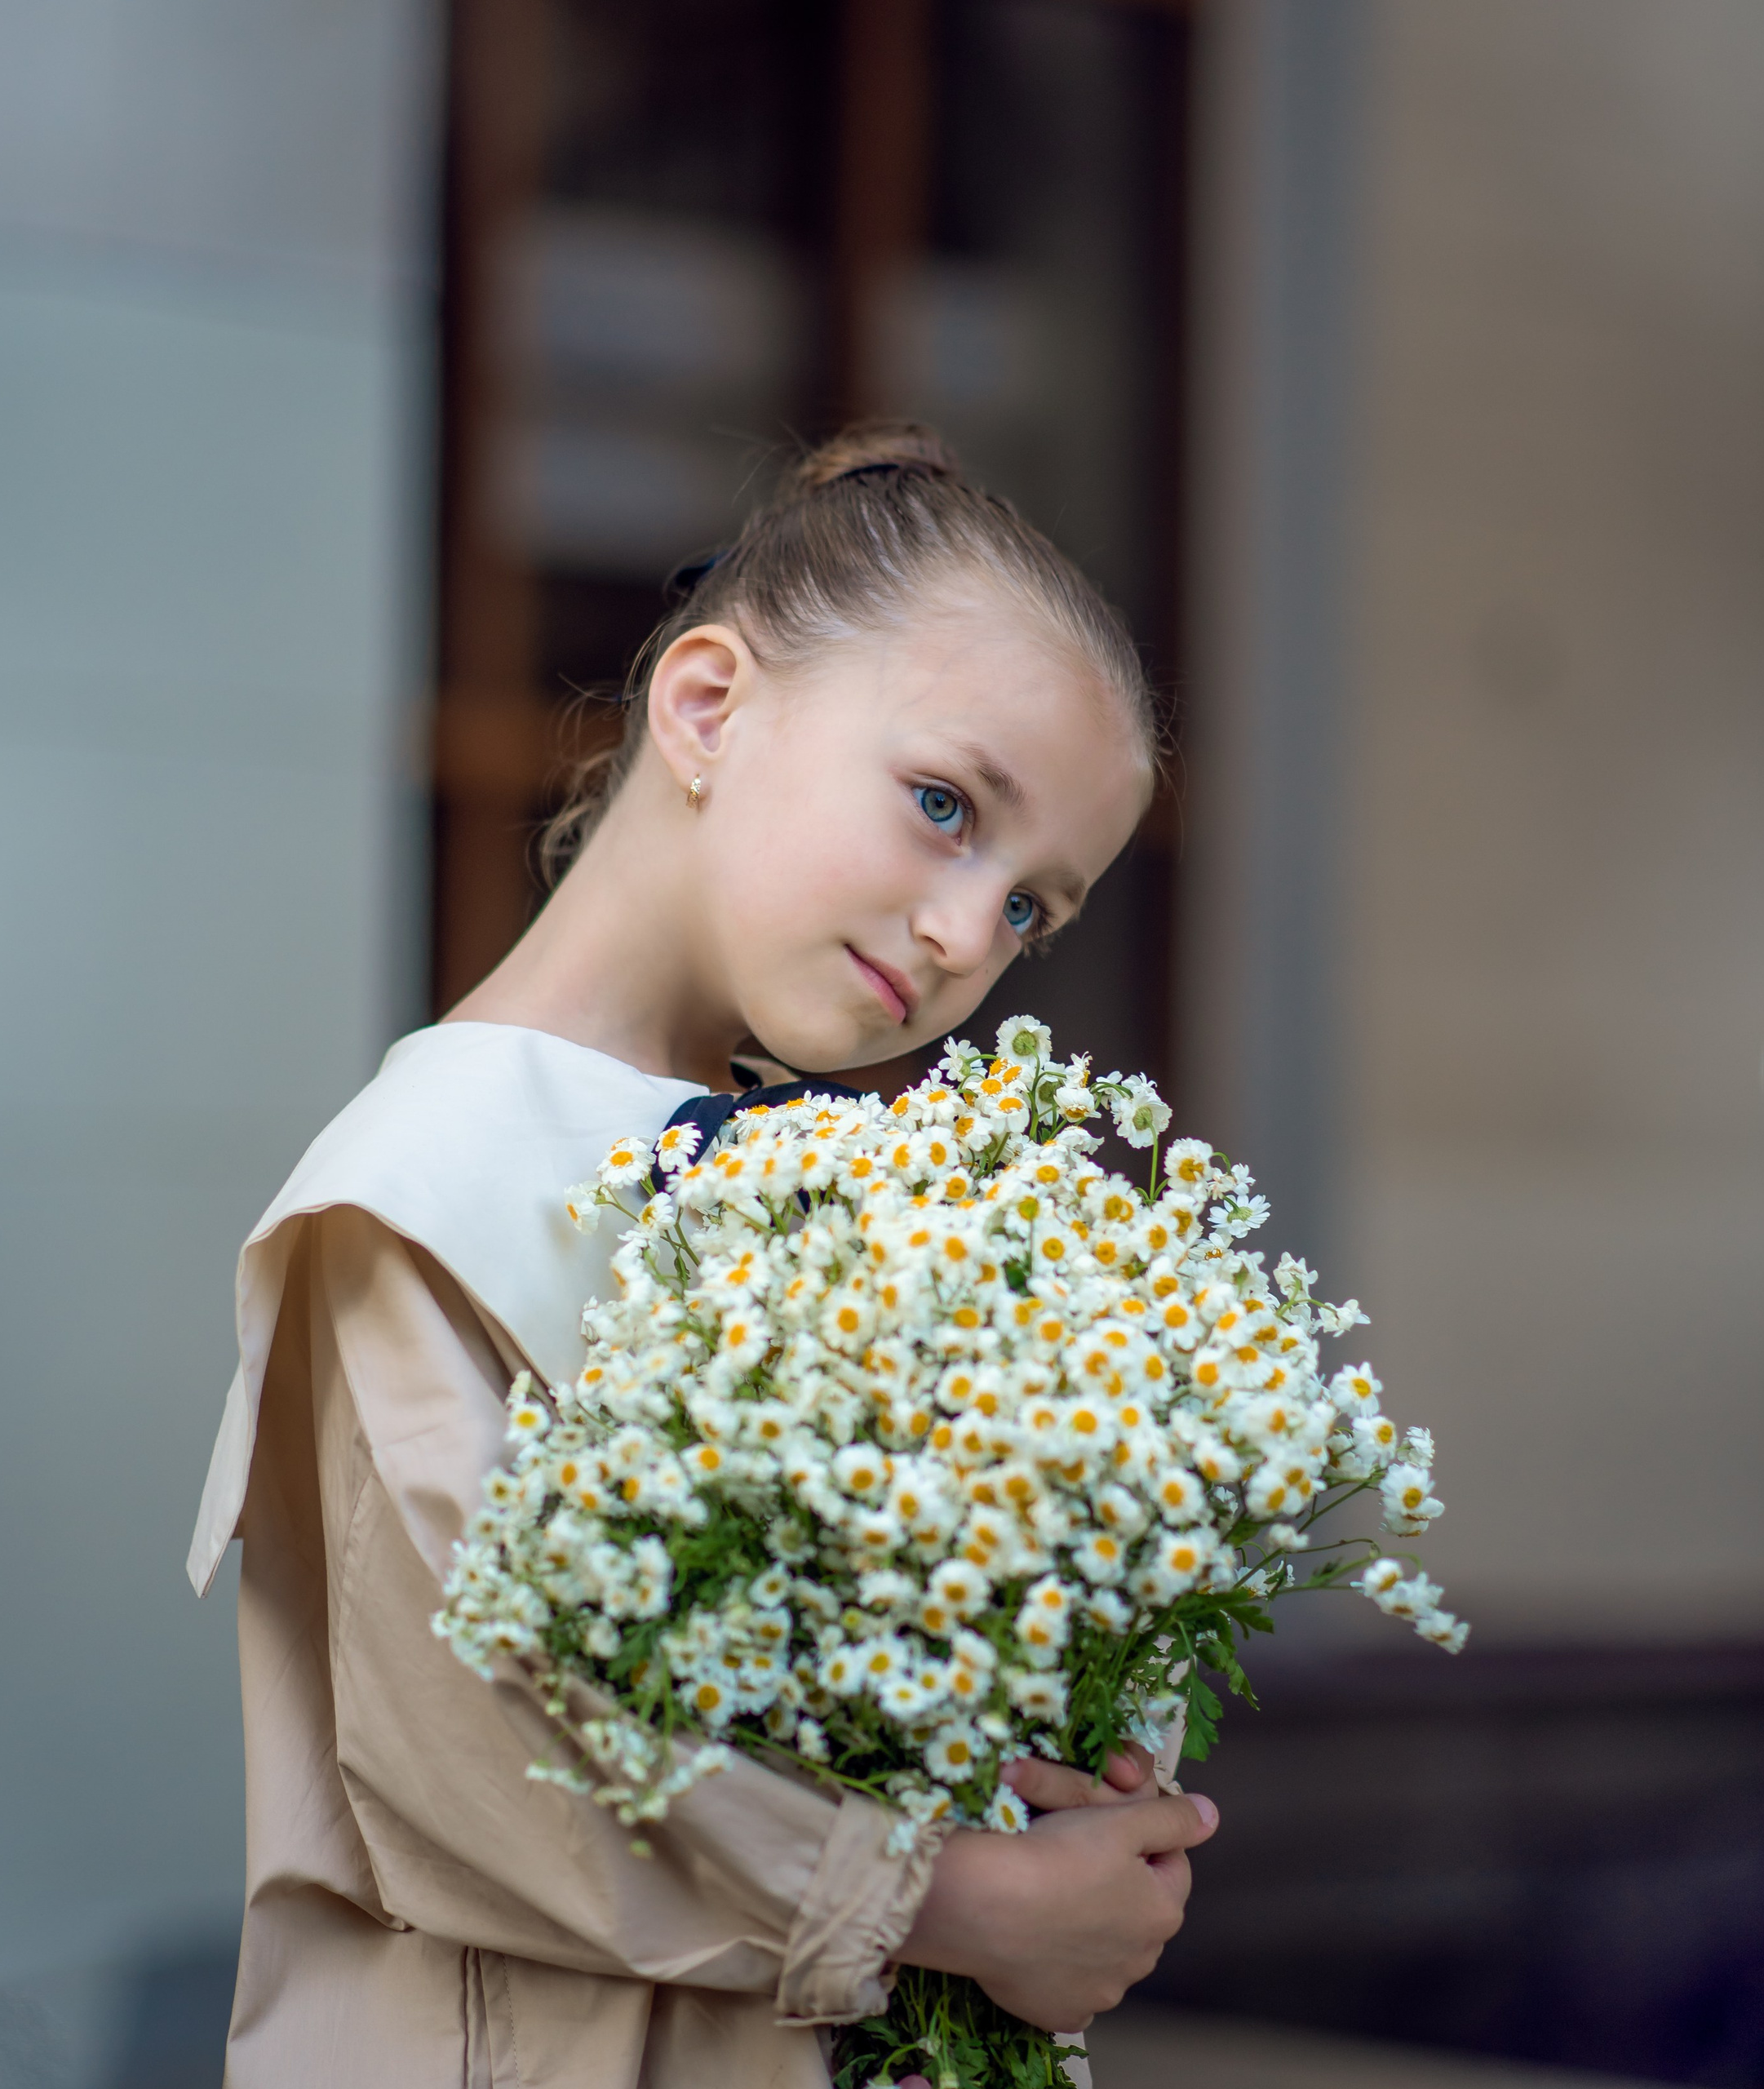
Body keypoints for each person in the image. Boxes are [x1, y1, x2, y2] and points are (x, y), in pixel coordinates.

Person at [187, 424, 1221, 2088]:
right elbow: (476, 1750)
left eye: (1033, 906)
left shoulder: (856, 1208)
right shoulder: (419, 1185)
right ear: (706, 707)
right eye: (943, 805)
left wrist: (1088, 1763)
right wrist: (953, 1901)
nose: (969, 933)